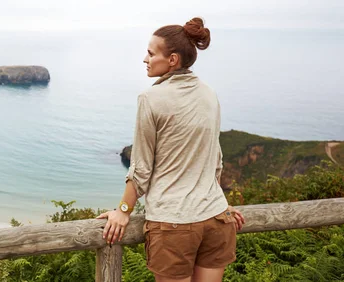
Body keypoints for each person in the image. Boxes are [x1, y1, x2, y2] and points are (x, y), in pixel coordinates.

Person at [96, 17, 245, 282]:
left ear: (173, 60)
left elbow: (141, 168)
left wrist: (123, 211)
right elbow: (215, 160)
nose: (145, 59)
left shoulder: (150, 99)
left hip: (173, 224)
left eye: (151, 53)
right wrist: (218, 201)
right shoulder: (209, 93)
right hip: (216, 218)